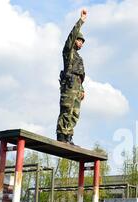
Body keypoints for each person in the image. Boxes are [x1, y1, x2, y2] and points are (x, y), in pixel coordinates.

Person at [56, 9, 87, 145]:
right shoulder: (68, 51)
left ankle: (68, 136)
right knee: (66, 109)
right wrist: (81, 21)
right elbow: (71, 36)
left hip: (77, 85)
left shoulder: (79, 57)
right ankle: (62, 135)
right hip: (69, 85)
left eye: (82, 41)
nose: (80, 43)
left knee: (75, 113)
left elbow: (80, 75)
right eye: (79, 40)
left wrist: (82, 90)